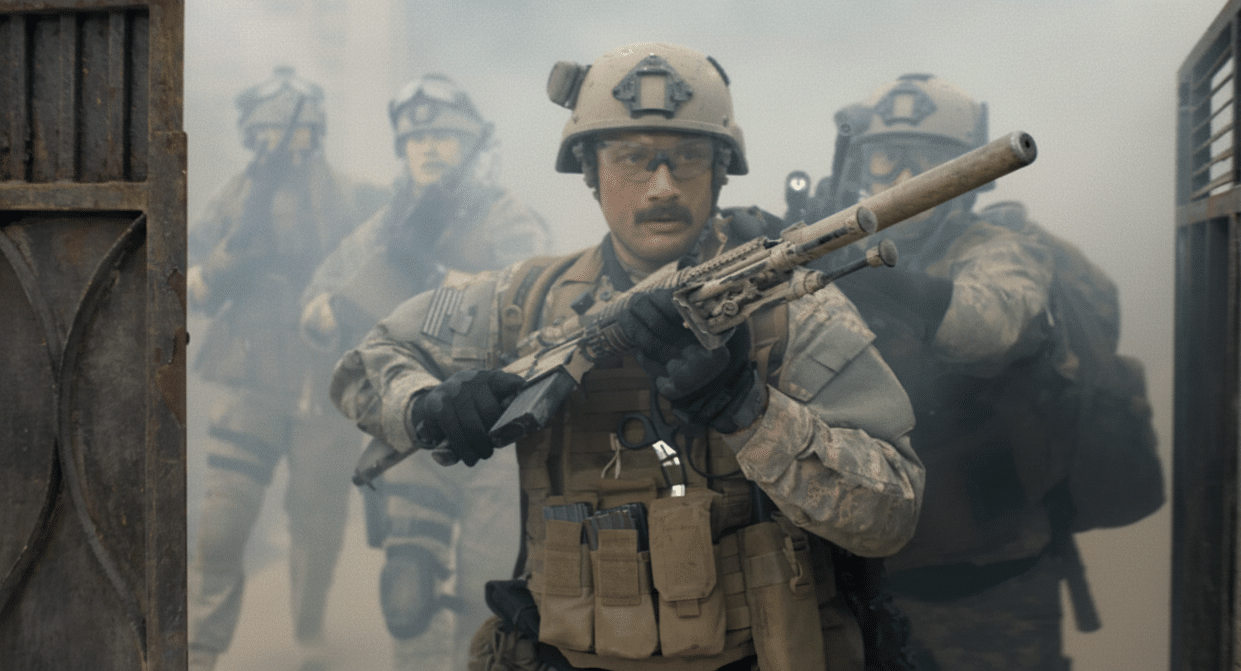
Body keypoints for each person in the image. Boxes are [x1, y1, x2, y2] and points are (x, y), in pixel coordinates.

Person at [329, 42, 926, 671]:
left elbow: (892, 511)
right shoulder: (526, 303)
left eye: (688, 158)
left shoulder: (788, 309)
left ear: (720, 171)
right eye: (633, 159)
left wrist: (749, 411)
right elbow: (364, 366)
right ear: (591, 171)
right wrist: (427, 408)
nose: (662, 187)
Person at [804, 74, 1164, 671]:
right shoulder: (836, 253)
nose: (902, 179)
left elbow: (994, 323)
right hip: (863, 578)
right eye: (886, 159)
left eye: (926, 163)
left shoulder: (999, 246)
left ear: (968, 178)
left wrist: (880, 283)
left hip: (990, 586)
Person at [300, 73, 552, 671]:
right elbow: (315, 301)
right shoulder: (385, 229)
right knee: (406, 592)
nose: (429, 148)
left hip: (497, 431)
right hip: (416, 426)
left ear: (470, 144)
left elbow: (534, 301)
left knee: (486, 602)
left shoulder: (506, 217)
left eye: (443, 136)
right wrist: (332, 310)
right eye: (416, 139)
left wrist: (436, 281)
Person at [186, 66, 386, 671]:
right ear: (253, 134)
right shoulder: (232, 199)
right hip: (249, 374)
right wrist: (224, 267)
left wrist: (342, 303)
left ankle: (308, 631)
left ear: (315, 133)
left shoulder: (352, 198)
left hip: (326, 380)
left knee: (318, 522)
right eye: (271, 129)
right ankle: (200, 647)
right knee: (222, 523)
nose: (283, 140)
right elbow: (185, 281)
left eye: (296, 128)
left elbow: (386, 268)